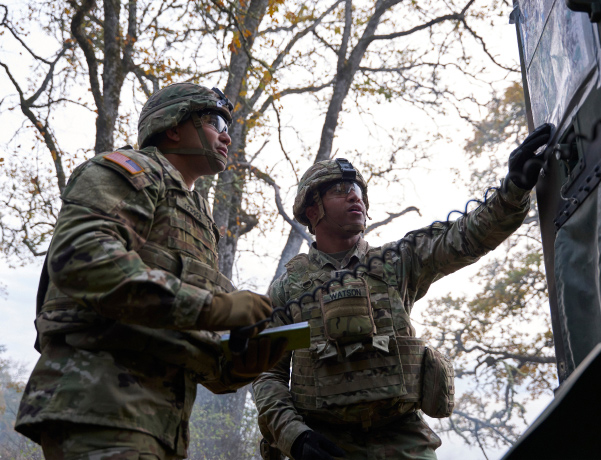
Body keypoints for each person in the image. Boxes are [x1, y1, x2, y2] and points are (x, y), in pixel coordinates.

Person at [15, 82, 285, 459]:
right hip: (98, 409)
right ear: (174, 127)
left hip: (161, 428)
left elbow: (180, 335)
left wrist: (244, 360)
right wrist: (216, 308)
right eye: (215, 124)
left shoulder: (200, 219)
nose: (227, 137)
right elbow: (84, 259)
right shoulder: (131, 171)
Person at [253, 124, 553, 460]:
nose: (355, 196)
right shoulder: (287, 288)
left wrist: (513, 189)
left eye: (357, 190)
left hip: (403, 439)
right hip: (324, 445)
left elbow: (466, 236)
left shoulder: (398, 261)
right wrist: (295, 437)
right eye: (340, 190)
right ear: (312, 210)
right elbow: (267, 373)